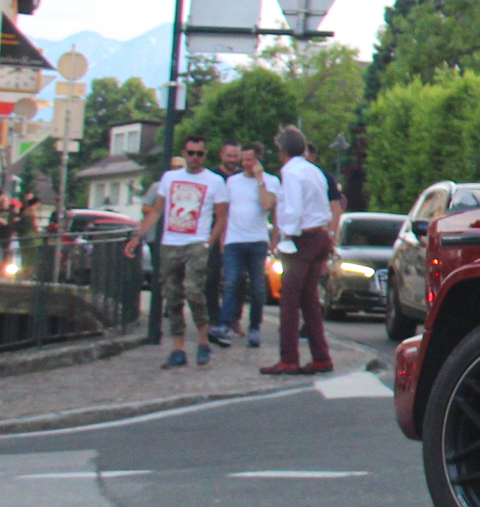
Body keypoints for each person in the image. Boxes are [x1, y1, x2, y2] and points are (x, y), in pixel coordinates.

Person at [126, 136, 224, 368]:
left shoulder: (215, 181)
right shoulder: (170, 178)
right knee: (172, 295)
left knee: (193, 290)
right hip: (171, 242)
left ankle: (202, 338)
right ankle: (178, 347)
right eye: (191, 153)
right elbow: (156, 210)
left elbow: (222, 216)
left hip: (196, 241)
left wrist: (209, 242)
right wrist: (138, 236)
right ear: (184, 153)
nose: (195, 158)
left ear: (205, 155)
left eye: (199, 154)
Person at [265, 124, 336, 377]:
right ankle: (321, 356)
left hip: (301, 239)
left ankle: (288, 358)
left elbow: (293, 208)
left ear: (282, 150)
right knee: (310, 300)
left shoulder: (291, 173)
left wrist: (286, 237)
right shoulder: (313, 170)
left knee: (289, 301)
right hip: (320, 235)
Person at [209, 141, 276, 351]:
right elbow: (225, 212)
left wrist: (259, 180)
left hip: (257, 240)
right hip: (234, 240)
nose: (245, 164)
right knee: (230, 283)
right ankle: (224, 324)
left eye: (250, 159)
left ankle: (255, 327)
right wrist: (222, 239)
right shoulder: (232, 182)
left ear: (258, 160)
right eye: (243, 159)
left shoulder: (270, 181)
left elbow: (266, 204)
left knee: (257, 287)